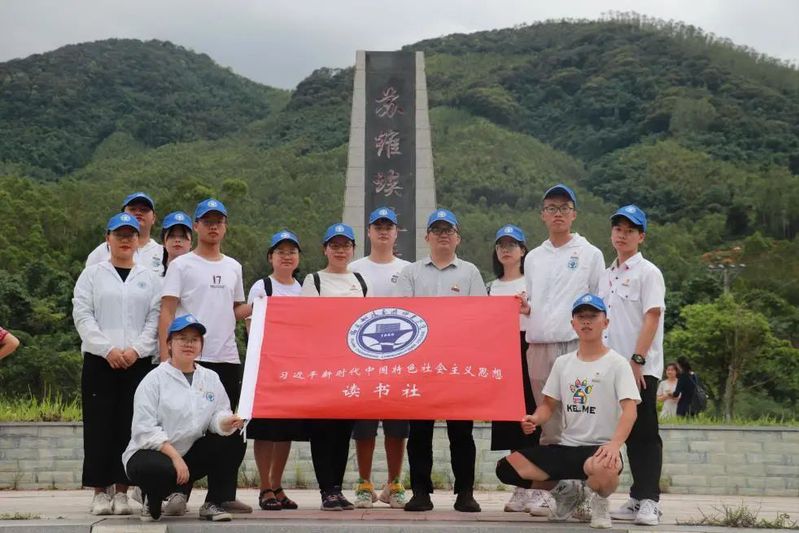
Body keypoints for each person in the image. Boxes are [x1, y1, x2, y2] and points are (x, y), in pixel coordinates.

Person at [495, 294, 640, 529]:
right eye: (580, 317)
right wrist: (535, 419)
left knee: (605, 468)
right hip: (566, 446)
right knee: (507, 468)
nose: (586, 321)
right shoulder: (563, 363)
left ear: (605, 322)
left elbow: (630, 411)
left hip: (600, 448)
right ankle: (567, 492)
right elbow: (548, 405)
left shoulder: (618, 363)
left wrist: (615, 445)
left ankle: (600, 502)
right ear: (573, 324)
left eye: (593, 316)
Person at [159, 198, 252, 515]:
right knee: (189, 428)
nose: (213, 227)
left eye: (219, 221)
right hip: (190, 360)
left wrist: (265, 303)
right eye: (207, 221)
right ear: (196, 226)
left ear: (225, 226)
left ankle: (221, 496)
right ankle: (177, 492)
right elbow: (168, 310)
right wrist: (166, 355)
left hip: (227, 358)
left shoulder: (234, 266)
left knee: (233, 428)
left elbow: (235, 310)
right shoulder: (181, 265)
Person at [395, 208, 487, 513]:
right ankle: (420, 492)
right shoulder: (411, 273)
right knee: (419, 433)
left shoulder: (470, 273)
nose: (443, 235)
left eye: (449, 230)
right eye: (437, 230)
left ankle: (465, 492)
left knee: (461, 433)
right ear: (427, 238)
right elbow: (403, 316)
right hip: (420, 365)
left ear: (458, 238)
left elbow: (481, 318)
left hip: (458, 365)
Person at [72, 212, 161, 516]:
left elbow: (154, 319)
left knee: (129, 426)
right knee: (99, 426)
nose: (125, 240)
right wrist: (107, 349)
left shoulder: (150, 278)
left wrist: (136, 350)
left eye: (131, 235)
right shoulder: (92, 275)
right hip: (100, 362)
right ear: (107, 238)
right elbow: (83, 315)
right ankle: (100, 492)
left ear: (138, 240)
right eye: (119, 234)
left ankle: (122, 491)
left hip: (137, 363)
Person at [524, 184, 605, 514]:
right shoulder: (533, 257)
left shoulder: (590, 254)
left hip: (575, 346)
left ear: (574, 214)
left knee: (579, 417)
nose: (557, 213)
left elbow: (601, 303)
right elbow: (534, 302)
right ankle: (559, 491)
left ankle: (584, 489)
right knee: (548, 421)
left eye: (564, 208)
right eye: (551, 208)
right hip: (539, 345)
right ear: (542, 215)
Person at [124, 314, 245, 522]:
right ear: (169, 344)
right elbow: (144, 430)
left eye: (194, 339)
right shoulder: (154, 380)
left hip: (189, 453)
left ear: (201, 345)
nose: (189, 344)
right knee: (157, 469)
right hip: (152, 453)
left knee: (235, 436)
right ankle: (150, 494)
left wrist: (226, 422)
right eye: (182, 338)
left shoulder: (210, 377)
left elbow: (218, 413)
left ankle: (213, 502)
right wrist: (175, 458)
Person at [598, 205, 665, 526]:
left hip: (639, 368)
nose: (622, 235)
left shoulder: (648, 272)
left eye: (629, 231)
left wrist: (637, 360)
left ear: (641, 237)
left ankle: (650, 501)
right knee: (618, 433)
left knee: (644, 433)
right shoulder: (606, 275)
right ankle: (636, 498)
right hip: (609, 367)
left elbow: (652, 317)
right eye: (618, 229)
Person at [301, 223, 368, 511]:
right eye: (335, 245)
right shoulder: (314, 280)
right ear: (325, 249)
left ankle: (337, 489)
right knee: (322, 429)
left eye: (346, 245)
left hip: (351, 367)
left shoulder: (360, 281)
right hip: (322, 365)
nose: (340, 250)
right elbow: (307, 322)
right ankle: (326, 490)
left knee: (343, 430)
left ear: (353, 249)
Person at [348, 207, 411, 509]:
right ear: (369, 232)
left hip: (400, 356)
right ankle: (364, 483)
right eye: (378, 227)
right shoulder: (354, 268)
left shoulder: (409, 269)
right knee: (364, 425)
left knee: (397, 425)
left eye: (389, 227)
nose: (383, 231)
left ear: (396, 233)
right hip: (363, 357)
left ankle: (394, 484)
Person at [245, 230, 306, 511]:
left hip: (293, 369)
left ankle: (277, 485)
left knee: (284, 430)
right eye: (280, 252)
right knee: (265, 429)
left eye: (291, 251)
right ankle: (264, 487)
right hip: (267, 369)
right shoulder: (262, 287)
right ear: (271, 257)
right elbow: (251, 328)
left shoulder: (303, 289)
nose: (286, 256)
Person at [486, 224, 538, 513]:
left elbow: (544, 317)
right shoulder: (491, 287)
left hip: (530, 349)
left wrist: (529, 308)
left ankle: (537, 484)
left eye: (512, 245)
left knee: (531, 416)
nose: (506, 250)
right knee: (509, 418)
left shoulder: (534, 282)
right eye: (501, 245)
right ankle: (520, 484)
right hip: (502, 353)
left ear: (523, 251)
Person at [86, 192, 164, 275]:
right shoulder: (100, 252)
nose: (138, 213)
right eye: (132, 209)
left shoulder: (164, 253)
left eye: (144, 210)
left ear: (153, 218)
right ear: (122, 215)